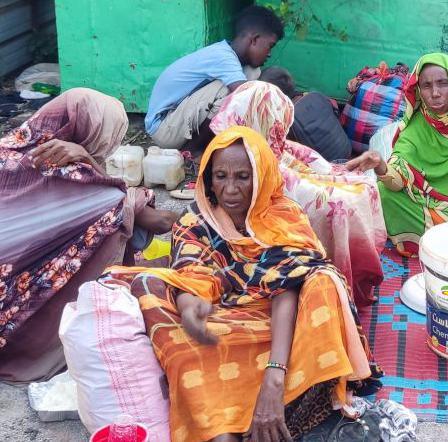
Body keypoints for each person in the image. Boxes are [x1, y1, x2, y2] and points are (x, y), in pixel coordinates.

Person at [107, 126, 382, 441]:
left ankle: (290, 404)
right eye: (220, 176)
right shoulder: (195, 222)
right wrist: (190, 306)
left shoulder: (284, 216)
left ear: (261, 176)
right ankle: (224, 425)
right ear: (209, 179)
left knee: (324, 280)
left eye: (242, 176)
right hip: (227, 322)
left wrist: (275, 374)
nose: (230, 189)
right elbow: (191, 274)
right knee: (148, 286)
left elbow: (287, 285)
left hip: (284, 327)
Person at [0, 88, 177, 382]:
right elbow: (126, 204)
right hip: (12, 327)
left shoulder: (10, 149)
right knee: (117, 217)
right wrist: (88, 161)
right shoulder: (73, 176)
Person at [210, 81, 386, 305]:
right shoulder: (244, 158)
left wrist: (346, 175)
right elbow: (306, 192)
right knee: (343, 205)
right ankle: (333, 287)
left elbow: (315, 169)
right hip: (267, 246)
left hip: (277, 252)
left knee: (360, 187)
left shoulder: (271, 147)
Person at [347, 53, 448, 256]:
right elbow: (399, 180)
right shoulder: (417, 125)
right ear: (418, 90)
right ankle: (447, 244)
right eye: (426, 86)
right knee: (385, 194)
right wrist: (379, 164)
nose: (435, 93)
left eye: (442, 84)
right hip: (434, 206)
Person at [144, 5, 283, 153]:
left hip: (176, 119)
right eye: (270, 46)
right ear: (254, 40)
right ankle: (193, 151)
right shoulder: (223, 57)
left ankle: (208, 145)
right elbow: (247, 98)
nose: (269, 54)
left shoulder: (232, 59)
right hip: (164, 127)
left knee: (251, 75)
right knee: (233, 93)